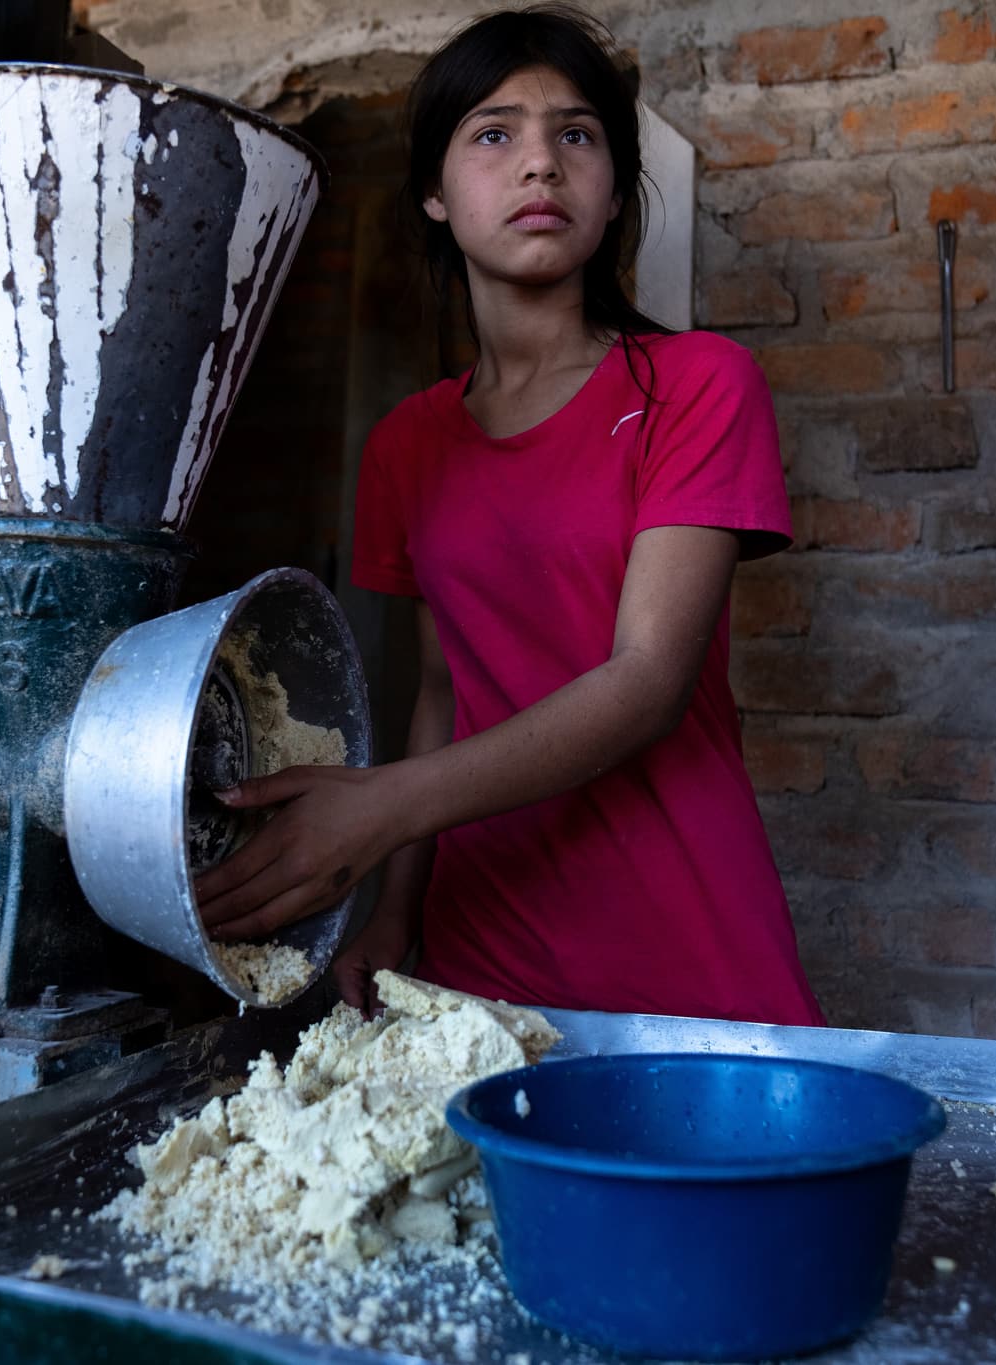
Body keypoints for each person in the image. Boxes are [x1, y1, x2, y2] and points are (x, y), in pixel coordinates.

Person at [195, 3, 823, 1028]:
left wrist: (381, 806)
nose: (540, 164)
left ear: (613, 189)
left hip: (679, 921)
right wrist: (398, 911)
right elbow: (443, 687)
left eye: (575, 135)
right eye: (493, 134)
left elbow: (646, 682)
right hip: (482, 939)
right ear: (436, 196)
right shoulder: (406, 443)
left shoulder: (697, 384)